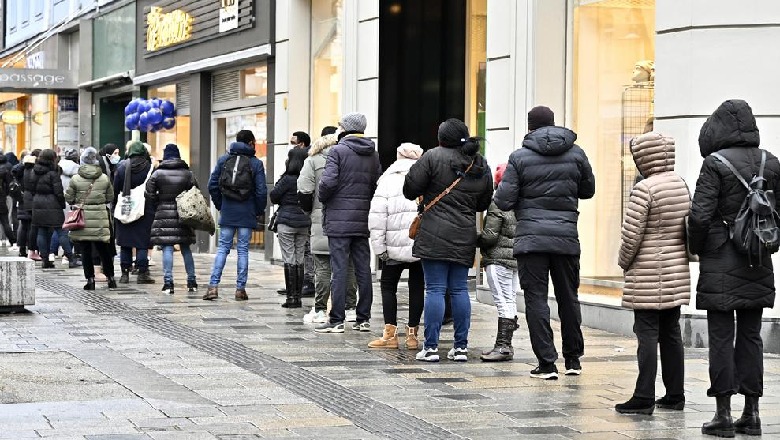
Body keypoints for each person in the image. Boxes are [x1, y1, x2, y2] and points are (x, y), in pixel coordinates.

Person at [688, 100, 779, 437]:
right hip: (758, 258)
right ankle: (752, 414)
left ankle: (723, 415)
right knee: (752, 337)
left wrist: (699, 247)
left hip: (721, 259)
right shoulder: (771, 162)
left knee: (722, 338)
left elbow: (699, 215)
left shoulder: (715, 163)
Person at [494, 106, 595, 378]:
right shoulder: (576, 153)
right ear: (554, 124)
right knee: (568, 298)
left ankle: (547, 363)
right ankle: (573, 360)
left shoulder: (519, 158)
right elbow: (588, 190)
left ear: (530, 127)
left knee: (536, 299)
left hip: (531, 240)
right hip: (566, 238)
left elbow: (503, 200)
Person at [403, 118, 493, 362]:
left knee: (434, 289)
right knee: (460, 289)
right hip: (464, 233)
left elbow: (410, 189)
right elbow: (484, 202)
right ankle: (461, 347)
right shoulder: (479, 162)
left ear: (441, 138)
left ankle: (431, 347)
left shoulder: (432, 157)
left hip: (433, 232)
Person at [613, 132, 690, 415]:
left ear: (644, 157)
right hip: (675, 270)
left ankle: (643, 395)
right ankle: (675, 394)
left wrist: (623, 263)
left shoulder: (644, 189)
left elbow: (631, 237)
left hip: (647, 273)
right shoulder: (680, 183)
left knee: (646, 334)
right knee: (671, 333)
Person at [314, 113, 382, 333]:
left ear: (345, 129)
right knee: (363, 269)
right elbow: (375, 186)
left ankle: (337, 320)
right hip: (362, 219)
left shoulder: (338, 151)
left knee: (340, 269)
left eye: (340, 126)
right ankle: (363, 319)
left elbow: (327, 183)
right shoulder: (373, 153)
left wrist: (324, 197)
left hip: (339, 220)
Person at [367, 143, 425, 350]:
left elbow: (377, 216)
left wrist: (379, 247)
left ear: (398, 156)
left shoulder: (387, 180)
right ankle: (412, 335)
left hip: (392, 245)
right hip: (419, 243)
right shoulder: (426, 177)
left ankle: (390, 335)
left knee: (388, 286)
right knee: (417, 286)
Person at [298, 134, 359, 324]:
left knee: (322, 265)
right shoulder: (352, 160)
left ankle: (321, 310)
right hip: (349, 218)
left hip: (321, 218)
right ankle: (350, 309)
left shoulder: (312, 161)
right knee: (348, 265)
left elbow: (305, 191)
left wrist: (310, 212)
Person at [205, 129, 267, 301]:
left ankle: (213, 287)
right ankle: (240, 290)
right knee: (243, 250)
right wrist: (257, 210)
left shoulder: (224, 160)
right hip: (247, 212)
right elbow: (262, 191)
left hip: (228, 211)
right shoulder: (256, 163)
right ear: (250, 143)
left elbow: (212, 185)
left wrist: (221, 205)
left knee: (223, 249)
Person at [479, 163, 520, 362]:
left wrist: (475, 238)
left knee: (502, 302)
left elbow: (490, 236)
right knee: (510, 299)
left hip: (497, 259)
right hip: (514, 259)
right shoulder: (522, 201)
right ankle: (507, 345)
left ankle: (503, 346)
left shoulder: (498, 203)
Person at [145, 144, 199, 295]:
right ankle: (192, 281)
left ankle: (168, 283)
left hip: (163, 213)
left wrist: (158, 204)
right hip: (184, 215)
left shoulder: (157, 173)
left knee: (167, 248)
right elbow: (196, 193)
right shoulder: (188, 173)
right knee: (186, 248)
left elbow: (149, 193)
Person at [66, 147, 116, 290]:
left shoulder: (76, 178)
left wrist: (77, 202)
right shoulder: (104, 178)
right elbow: (110, 197)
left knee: (85, 250)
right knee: (104, 250)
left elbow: (69, 197)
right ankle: (111, 278)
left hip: (83, 217)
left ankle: (90, 280)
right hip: (100, 216)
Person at [270, 148, 311, 308]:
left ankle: (291, 298)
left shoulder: (287, 179)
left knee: (289, 258)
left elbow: (274, 196)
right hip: (303, 223)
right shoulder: (307, 178)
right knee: (299, 258)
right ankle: (298, 298)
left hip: (286, 222)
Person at [114, 141, 155, 284]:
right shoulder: (150, 168)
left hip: (125, 207)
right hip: (145, 209)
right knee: (142, 242)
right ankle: (142, 273)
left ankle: (124, 273)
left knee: (125, 242)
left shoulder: (122, 167)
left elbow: (116, 189)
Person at [30, 149, 66, 269]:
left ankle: (44, 259)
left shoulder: (34, 171)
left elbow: (30, 188)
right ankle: (70, 256)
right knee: (61, 230)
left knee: (41, 231)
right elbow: (59, 192)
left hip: (37, 203)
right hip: (53, 204)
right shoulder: (53, 173)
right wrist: (62, 204)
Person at [50, 148, 79, 267]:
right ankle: (67, 255)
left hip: (58, 203)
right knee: (70, 229)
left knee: (59, 228)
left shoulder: (57, 168)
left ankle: (52, 252)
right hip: (72, 203)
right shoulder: (78, 169)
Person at [18, 150, 41, 260]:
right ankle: (32, 250)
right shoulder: (34, 170)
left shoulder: (24, 168)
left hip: (24, 199)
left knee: (24, 225)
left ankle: (22, 249)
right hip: (32, 199)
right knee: (33, 226)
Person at [0, 152, 16, 246]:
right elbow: (10, 183)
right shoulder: (8, 166)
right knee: (5, 221)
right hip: (3, 198)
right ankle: (12, 241)